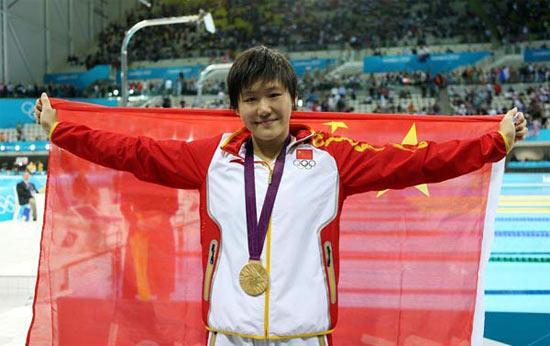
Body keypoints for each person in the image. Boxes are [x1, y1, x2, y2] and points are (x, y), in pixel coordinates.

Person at [35, 46, 527, 346]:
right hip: (228, 331)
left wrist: (494, 142)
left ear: (293, 98)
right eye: (250, 99)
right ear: (236, 108)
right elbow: (133, 152)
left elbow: (417, 163)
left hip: (306, 332)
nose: (263, 108)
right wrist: (63, 131)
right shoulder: (211, 160)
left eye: (273, 95)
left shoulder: (334, 159)